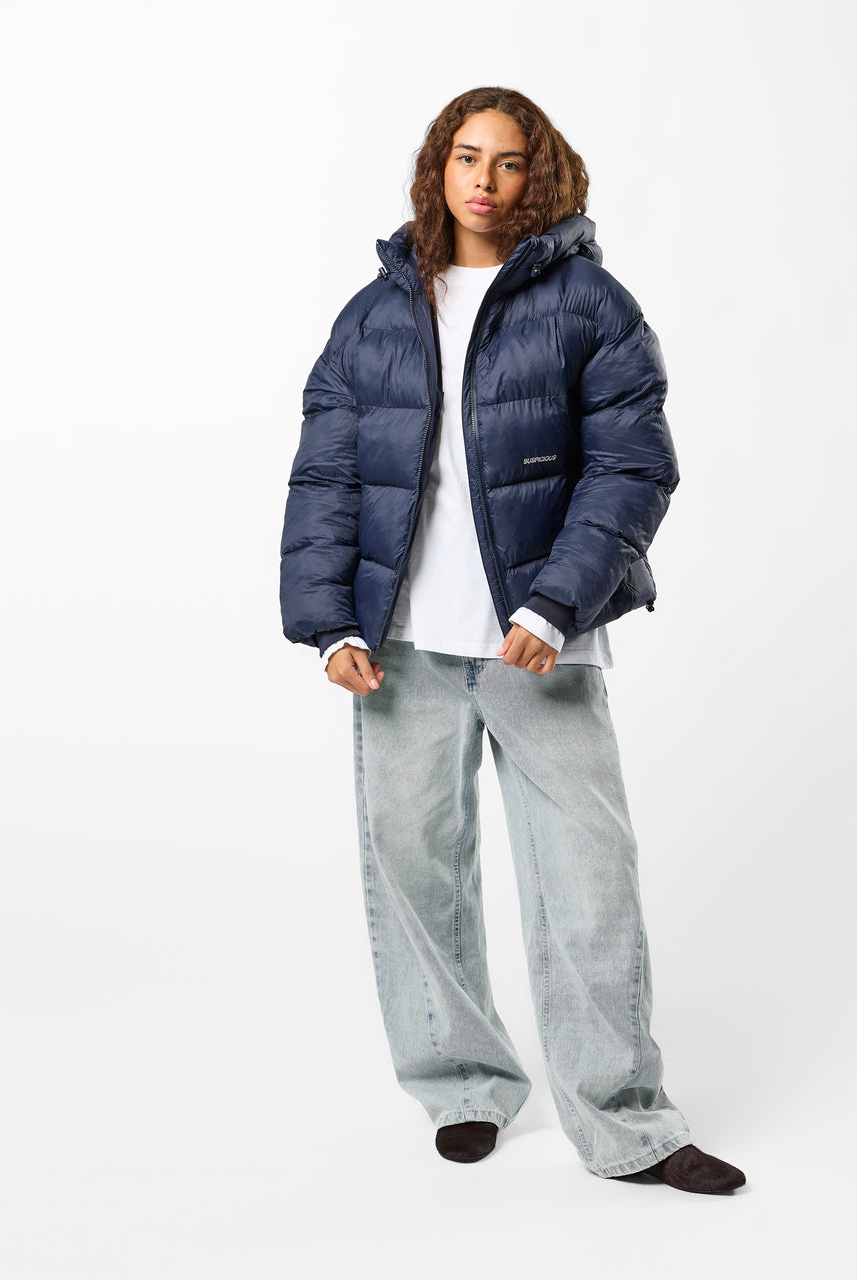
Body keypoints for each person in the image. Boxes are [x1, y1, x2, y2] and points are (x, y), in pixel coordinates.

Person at [279, 86, 745, 1195]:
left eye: (507, 161)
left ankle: (626, 1122)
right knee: (414, 867)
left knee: (586, 879)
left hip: (537, 641)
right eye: (464, 157)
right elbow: (327, 473)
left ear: (542, 174)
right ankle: (463, 1086)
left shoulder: (588, 302)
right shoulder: (376, 312)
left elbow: (632, 467)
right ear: (436, 168)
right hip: (397, 644)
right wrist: (328, 621)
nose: (483, 180)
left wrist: (550, 606)